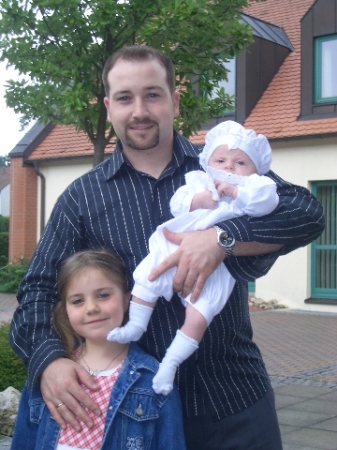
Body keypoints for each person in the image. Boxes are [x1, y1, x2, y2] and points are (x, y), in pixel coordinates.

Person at [9, 45, 324, 450]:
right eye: (125, 97)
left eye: (153, 94)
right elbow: (37, 290)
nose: (139, 110)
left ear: (174, 101)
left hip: (234, 401)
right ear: (108, 107)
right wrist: (49, 361)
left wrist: (221, 239)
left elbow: (307, 211)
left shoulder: (221, 164)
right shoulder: (82, 199)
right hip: (135, 416)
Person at [108, 120, 279, 396]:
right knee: (148, 278)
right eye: (221, 159)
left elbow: (267, 202)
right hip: (174, 245)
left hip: (216, 268)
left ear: (255, 170)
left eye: (240, 163)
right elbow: (177, 203)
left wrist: (237, 192)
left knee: (199, 316)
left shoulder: (255, 187)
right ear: (209, 161)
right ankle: (135, 326)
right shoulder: (200, 181)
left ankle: (170, 364)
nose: (230, 167)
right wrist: (199, 200)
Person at [12, 248, 186, 450]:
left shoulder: (154, 379)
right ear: (66, 310)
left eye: (103, 295)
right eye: (77, 301)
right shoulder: (49, 376)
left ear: (126, 298)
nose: (91, 307)